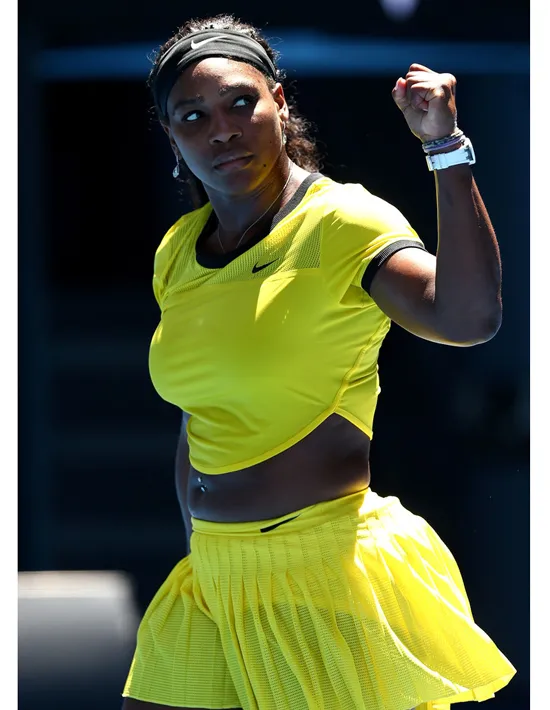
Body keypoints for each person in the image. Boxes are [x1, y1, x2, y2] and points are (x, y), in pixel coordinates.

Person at [122, 13, 516, 710]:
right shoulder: (177, 250)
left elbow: (467, 319)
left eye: (240, 102)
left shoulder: (343, 222)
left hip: (321, 578)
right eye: (194, 115)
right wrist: (204, 546)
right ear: (173, 137)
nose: (222, 128)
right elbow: (198, 415)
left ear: (279, 101)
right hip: (211, 575)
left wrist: (445, 150)